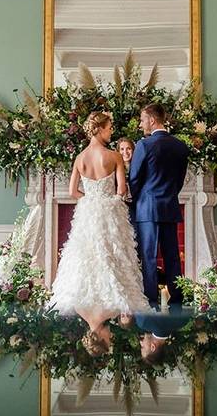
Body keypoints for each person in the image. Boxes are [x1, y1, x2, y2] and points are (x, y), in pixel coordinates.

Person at [48, 111, 150, 353]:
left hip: (88, 211)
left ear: (102, 337)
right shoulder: (113, 156)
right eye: (110, 127)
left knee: (86, 253)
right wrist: (108, 201)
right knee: (113, 252)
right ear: (100, 129)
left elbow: (73, 191)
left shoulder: (80, 157)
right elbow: (122, 191)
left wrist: (91, 200)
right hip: (110, 211)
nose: (111, 130)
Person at [129, 103, 190, 309]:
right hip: (170, 206)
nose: (140, 124)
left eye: (142, 119)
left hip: (147, 208)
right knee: (172, 255)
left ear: (152, 120)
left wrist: (136, 200)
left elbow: (134, 178)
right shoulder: (180, 146)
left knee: (148, 256)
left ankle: (151, 300)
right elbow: (179, 180)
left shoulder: (144, 145)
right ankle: (177, 299)